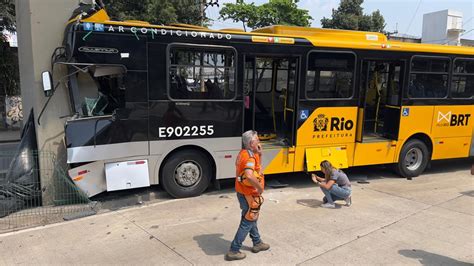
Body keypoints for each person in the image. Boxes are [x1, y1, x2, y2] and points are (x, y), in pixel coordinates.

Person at [225, 130, 270, 261]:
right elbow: (250, 175)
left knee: (251, 217)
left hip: (243, 192)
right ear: (251, 143)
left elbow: (257, 169)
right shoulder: (249, 157)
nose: (259, 141)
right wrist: (260, 187)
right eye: (257, 140)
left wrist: (260, 154)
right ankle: (234, 250)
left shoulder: (245, 153)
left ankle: (257, 242)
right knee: (248, 220)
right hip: (249, 194)